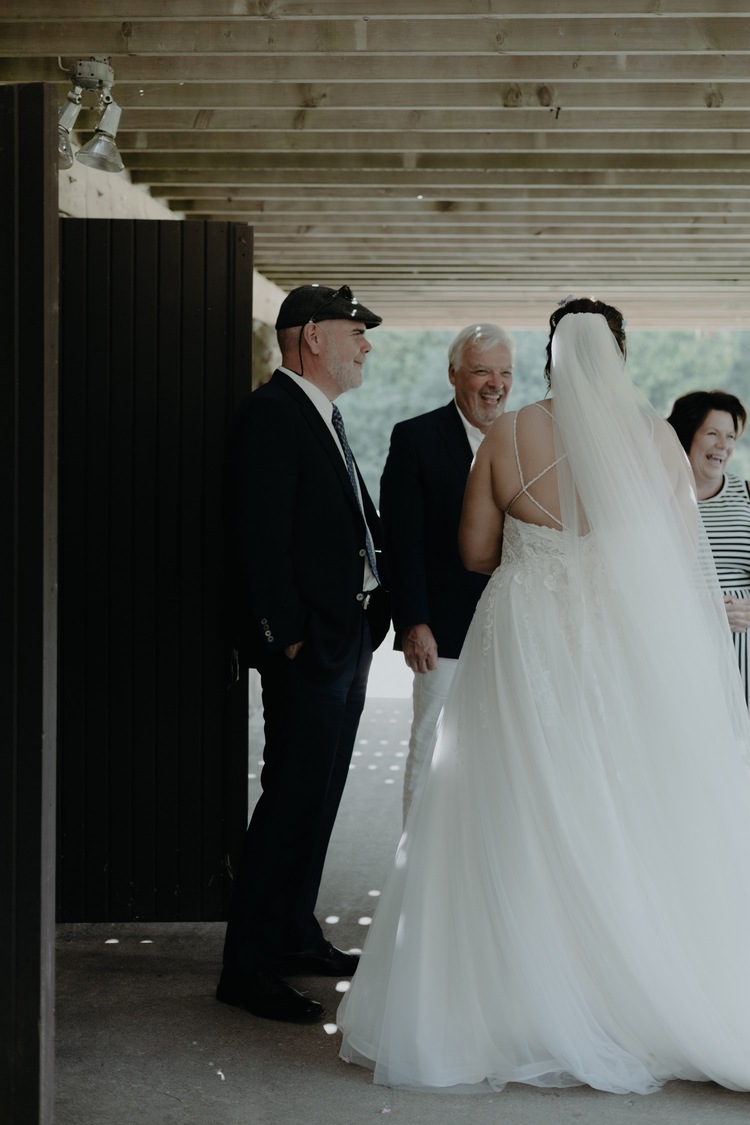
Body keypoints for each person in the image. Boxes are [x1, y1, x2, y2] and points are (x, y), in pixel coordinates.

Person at [337, 298, 750, 1095]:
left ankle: (518, 996)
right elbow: (673, 556)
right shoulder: (657, 442)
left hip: (526, 637)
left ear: (551, 355)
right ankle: (624, 991)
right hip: (618, 643)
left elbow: (476, 551)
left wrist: (542, 551)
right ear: (619, 356)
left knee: (510, 800)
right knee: (618, 802)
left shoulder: (506, 434)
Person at [218, 284, 390, 1024]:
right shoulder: (271, 413)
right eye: (357, 331)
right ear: (312, 336)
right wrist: (287, 635)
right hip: (308, 645)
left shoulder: (322, 413)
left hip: (344, 637)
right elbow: (258, 539)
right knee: (289, 800)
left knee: (317, 799)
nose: (366, 345)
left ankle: (292, 934)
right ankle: (247, 967)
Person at [379, 323, 515, 821]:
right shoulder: (415, 438)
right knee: (432, 746)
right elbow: (401, 540)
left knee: (504, 754)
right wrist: (415, 622)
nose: (495, 383)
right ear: (453, 374)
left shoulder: (524, 440)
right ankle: (414, 871)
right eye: (481, 370)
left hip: (514, 626)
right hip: (443, 631)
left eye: (505, 372)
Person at [667, 390, 750, 704]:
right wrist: (702, 609)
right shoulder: (658, 499)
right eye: (713, 433)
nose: (724, 445)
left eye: (730, 436)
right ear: (687, 435)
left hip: (743, 654)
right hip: (682, 648)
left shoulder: (747, 495)